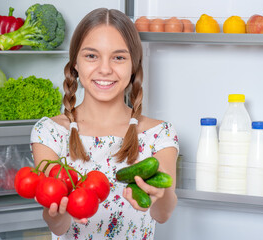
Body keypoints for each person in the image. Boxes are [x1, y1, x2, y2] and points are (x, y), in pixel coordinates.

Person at [30, 8, 179, 240]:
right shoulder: (50, 132)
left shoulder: (159, 134)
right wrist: (57, 214)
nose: (105, 69)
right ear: (75, 63)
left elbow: (163, 213)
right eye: (91, 56)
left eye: (119, 57)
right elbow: (57, 226)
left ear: (133, 67)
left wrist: (160, 194)